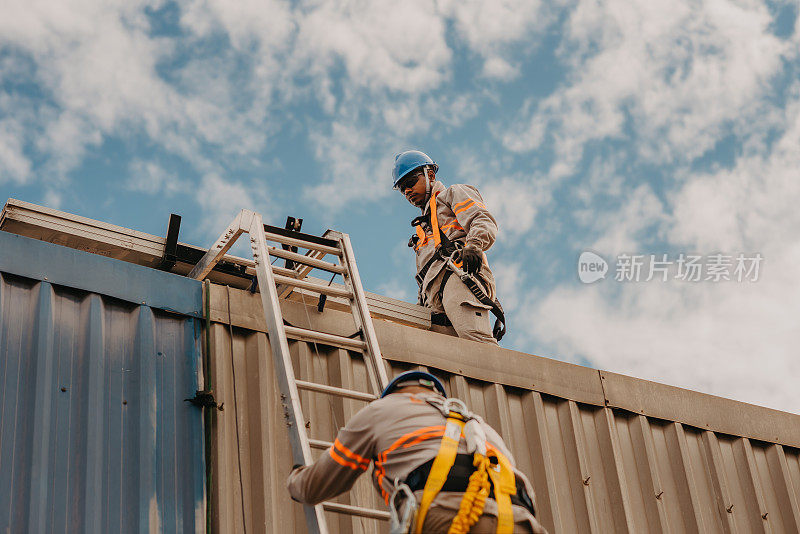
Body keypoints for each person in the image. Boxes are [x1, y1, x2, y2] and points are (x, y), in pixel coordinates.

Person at [287, 371, 547, 533]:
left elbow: (317, 485)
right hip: (519, 522)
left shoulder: (382, 409)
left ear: (395, 392)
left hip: (445, 514)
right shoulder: (479, 425)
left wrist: (297, 478)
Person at [392, 150, 504, 345]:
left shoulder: (452, 194)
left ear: (430, 175)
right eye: (402, 189)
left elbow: (482, 219)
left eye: (410, 183)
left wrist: (475, 245)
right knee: (445, 361)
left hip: (459, 277)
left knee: (477, 345)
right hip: (434, 301)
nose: (407, 191)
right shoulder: (421, 230)